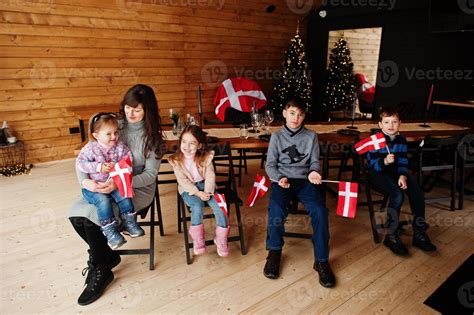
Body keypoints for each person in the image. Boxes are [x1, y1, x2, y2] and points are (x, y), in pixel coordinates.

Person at [69, 84, 165, 305]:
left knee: (92, 218)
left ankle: (100, 268)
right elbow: (84, 157)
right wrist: (86, 181)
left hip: (136, 188)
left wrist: (121, 183)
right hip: (103, 183)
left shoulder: (154, 139)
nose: (130, 113)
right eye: (128, 107)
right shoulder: (114, 126)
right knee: (77, 216)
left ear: (147, 110)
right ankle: (106, 256)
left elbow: (150, 175)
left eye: (137, 109)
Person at [263, 97, 335, 288]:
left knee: (320, 211)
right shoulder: (277, 137)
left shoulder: (311, 136)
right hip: (282, 181)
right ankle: (274, 251)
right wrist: (279, 178)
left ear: (304, 117)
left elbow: (313, 162)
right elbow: (270, 165)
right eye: (292, 113)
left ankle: (321, 260)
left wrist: (313, 172)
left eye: (300, 114)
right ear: (285, 113)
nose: (296, 118)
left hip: (305, 181)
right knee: (276, 208)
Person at [367, 108, 437, 256]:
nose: (390, 125)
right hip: (378, 173)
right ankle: (391, 235)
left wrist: (403, 175)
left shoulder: (401, 140)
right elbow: (373, 164)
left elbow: (403, 161)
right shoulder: (376, 140)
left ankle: (419, 233)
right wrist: (384, 161)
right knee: (398, 195)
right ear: (380, 124)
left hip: (396, 173)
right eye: (386, 122)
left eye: (394, 122)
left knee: (417, 193)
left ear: (400, 123)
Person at [76, 112, 145, 250]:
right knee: (103, 201)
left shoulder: (120, 147)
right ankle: (110, 232)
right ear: (96, 135)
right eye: (108, 134)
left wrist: (119, 172)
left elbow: (128, 161)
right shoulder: (90, 148)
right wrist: (98, 167)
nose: (114, 137)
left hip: (115, 183)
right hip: (95, 187)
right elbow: (80, 163)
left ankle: (129, 223)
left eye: (116, 132)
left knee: (124, 195)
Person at [168, 125, 229, 257]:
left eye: (192, 143)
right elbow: (183, 181)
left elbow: (210, 175)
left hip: (207, 186)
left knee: (221, 205)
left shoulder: (205, 157)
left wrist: (207, 192)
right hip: (188, 189)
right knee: (197, 206)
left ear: (199, 145)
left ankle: (221, 238)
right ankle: (198, 238)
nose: (187, 146)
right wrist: (198, 193)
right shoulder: (176, 160)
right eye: (184, 142)